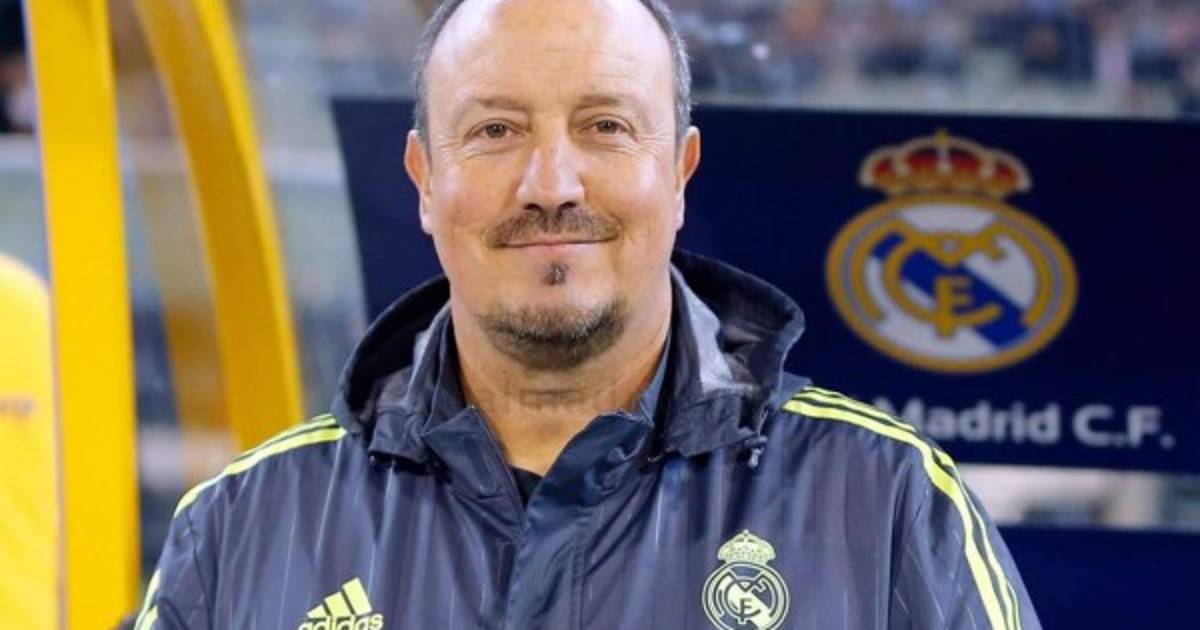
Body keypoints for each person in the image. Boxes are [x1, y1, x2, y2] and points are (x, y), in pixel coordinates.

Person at [135, 0, 1041, 628]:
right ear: (424, 179)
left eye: (605, 126)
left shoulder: (885, 505)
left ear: (679, 172)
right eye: (495, 131)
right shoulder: (243, 526)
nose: (551, 185)